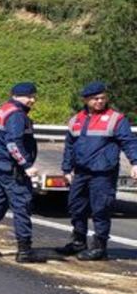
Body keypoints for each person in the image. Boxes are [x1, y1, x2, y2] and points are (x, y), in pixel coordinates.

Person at [55, 82, 137, 261]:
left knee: (100, 209)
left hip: (103, 173)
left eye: (103, 98)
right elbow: (70, 146)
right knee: (76, 207)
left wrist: (135, 162)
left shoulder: (116, 119)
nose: (100, 101)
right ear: (86, 100)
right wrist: (67, 169)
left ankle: (99, 247)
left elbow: (129, 142)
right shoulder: (76, 120)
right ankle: (78, 242)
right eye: (95, 98)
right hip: (81, 172)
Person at [0, 82, 44, 263]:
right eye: (29, 96)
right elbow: (13, 143)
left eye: (33, 96)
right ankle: (24, 251)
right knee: (22, 207)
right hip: (13, 169)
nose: (33, 100)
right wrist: (27, 165)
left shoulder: (1, 111)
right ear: (17, 96)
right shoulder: (16, 115)